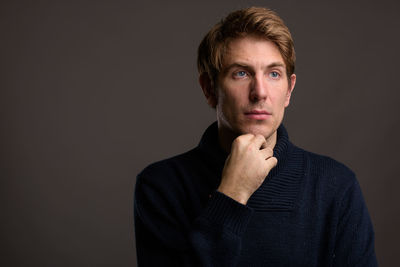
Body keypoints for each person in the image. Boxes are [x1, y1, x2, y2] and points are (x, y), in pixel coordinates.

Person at [134, 7, 377, 267]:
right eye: (241, 73)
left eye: (274, 74)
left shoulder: (336, 186)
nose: (259, 92)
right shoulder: (161, 186)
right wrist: (231, 195)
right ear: (209, 88)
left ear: (289, 90)